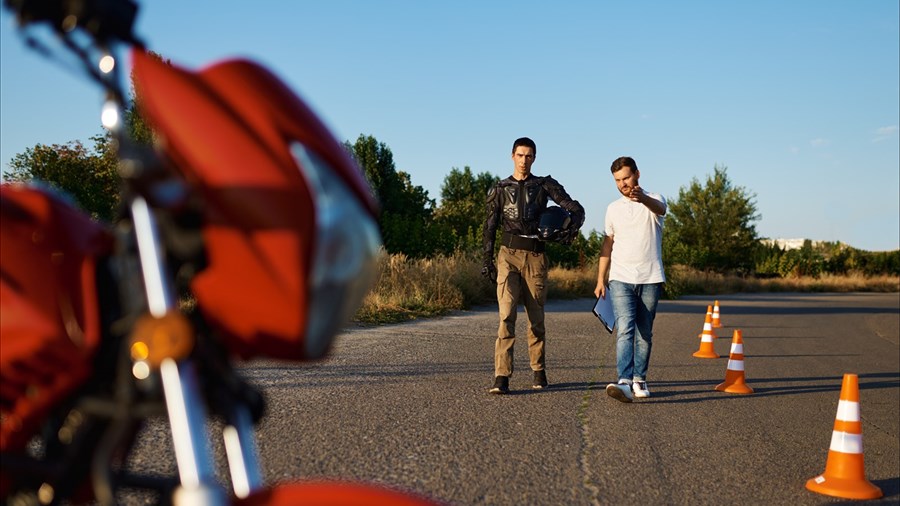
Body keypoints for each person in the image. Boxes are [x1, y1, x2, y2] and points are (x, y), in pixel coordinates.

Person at [482, 137, 585, 394]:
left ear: (534, 158)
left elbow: (576, 209)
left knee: (535, 319)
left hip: (536, 256)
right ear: (512, 156)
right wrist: (487, 260)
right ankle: (501, 376)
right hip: (508, 255)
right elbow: (490, 227)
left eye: (529, 156)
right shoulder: (499, 188)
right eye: (520, 155)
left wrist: (569, 230)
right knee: (506, 315)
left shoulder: (544, 185)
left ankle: (538, 370)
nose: (524, 160)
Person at [594, 156, 666, 402]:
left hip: (651, 277)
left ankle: (639, 379)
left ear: (637, 174)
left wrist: (642, 198)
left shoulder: (654, 199)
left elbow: (661, 210)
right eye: (617, 180)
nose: (622, 184)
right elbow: (608, 244)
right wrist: (600, 279)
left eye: (626, 178)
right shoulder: (612, 209)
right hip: (621, 277)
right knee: (625, 328)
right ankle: (624, 381)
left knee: (644, 331)